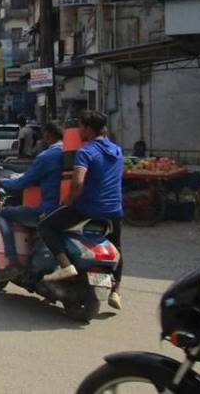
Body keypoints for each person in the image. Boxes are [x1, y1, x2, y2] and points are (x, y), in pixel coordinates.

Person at [38, 110, 124, 310]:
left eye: (81, 127)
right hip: (114, 210)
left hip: (88, 208)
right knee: (117, 247)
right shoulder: (117, 151)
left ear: (87, 129)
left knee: (46, 225)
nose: (79, 131)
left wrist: (69, 200)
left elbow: (77, 181)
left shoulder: (86, 152)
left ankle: (66, 265)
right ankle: (117, 292)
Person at [0, 122, 65, 277]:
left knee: (4, 214)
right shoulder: (74, 154)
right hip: (70, 211)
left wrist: (3, 183)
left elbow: (23, 183)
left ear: (48, 136)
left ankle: (13, 261)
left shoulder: (47, 156)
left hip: (48, 211)